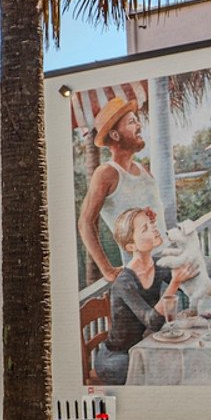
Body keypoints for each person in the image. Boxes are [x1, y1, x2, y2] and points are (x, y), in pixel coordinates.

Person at [93, 206, 192, 385]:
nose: (154, 228)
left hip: (145, 347)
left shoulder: (158, 265)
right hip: (117, 359)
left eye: (151, 223)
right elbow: (153, 320)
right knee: (166, 371)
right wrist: (175, 283)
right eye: (145, 228)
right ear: (131, 246)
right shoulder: (124, 282)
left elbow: (188, 283)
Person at [77, 94, 159, 284]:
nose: (139, 126)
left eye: (137, 121)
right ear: (115, 135)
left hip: (167, 262)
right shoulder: (107, 173)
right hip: (141, 273)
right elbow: (85, 222)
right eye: (132, 122)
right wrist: (107, 270)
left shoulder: (143, 170)